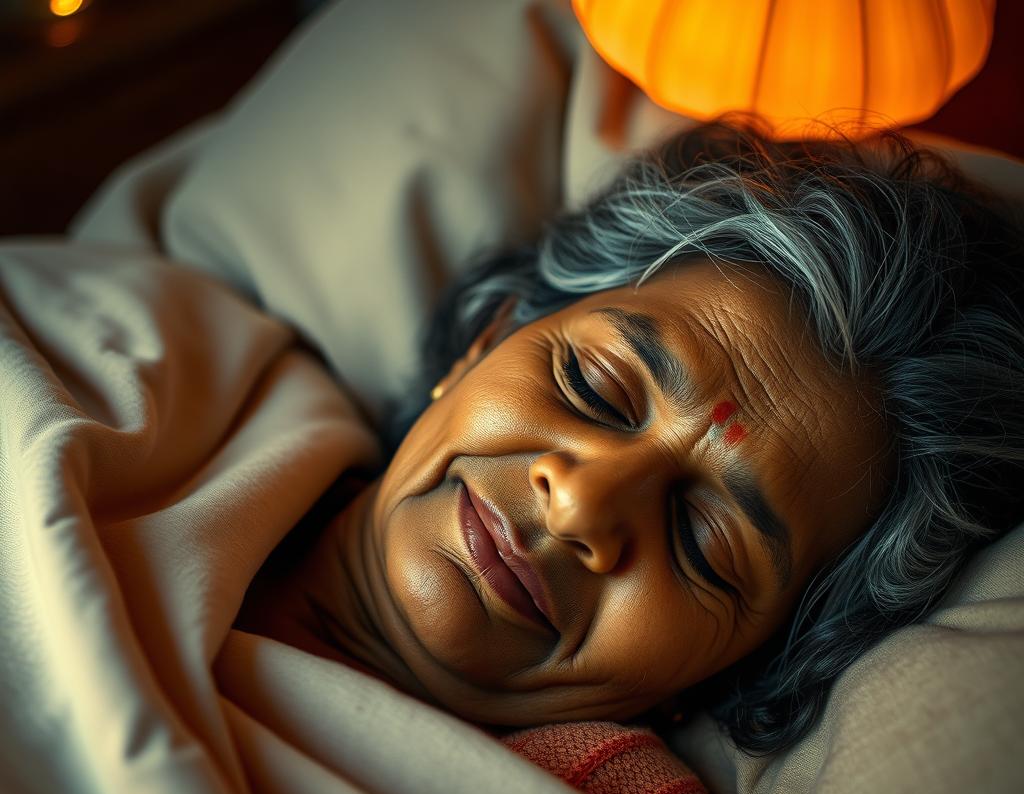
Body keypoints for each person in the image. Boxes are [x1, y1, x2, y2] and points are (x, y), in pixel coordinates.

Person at [237, 119, 1024, 755]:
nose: (578, 506)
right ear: (492, 334)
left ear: (732, 676)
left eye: (702, 543)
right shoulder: (172, 397)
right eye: (594, 388)